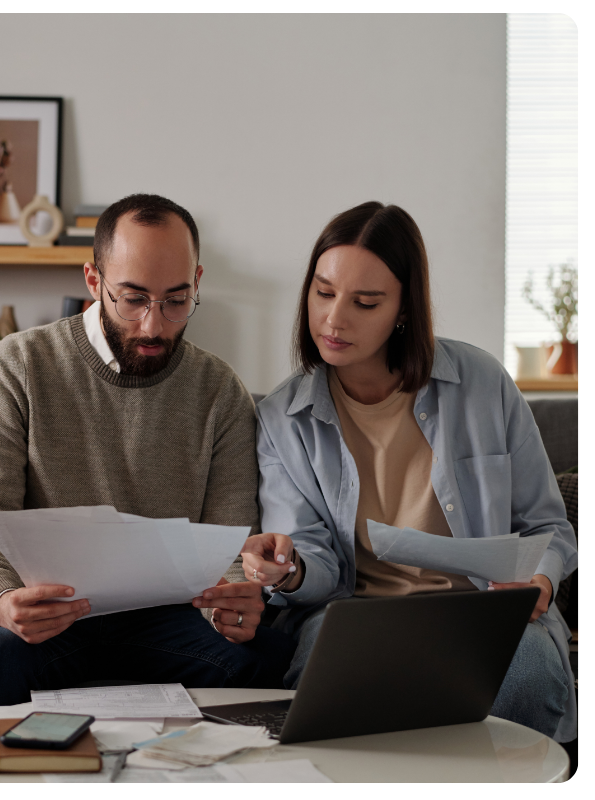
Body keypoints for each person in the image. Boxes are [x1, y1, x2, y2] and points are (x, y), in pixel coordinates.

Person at [0, 193, 293, 721]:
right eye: (133, 299)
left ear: (197, 281)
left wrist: (236, 601)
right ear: (93, 281)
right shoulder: (15, 368)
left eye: (177, 300)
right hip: (42, 609)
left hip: (169, 619)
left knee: (269, 660)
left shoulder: (220, 390)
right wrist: (0, 600)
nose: (154, 325)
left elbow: (230, 540)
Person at [240, 201, 578, 742]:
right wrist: (290, 569)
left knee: (530, 671)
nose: (334, 318)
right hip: (353, 614)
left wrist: (540, 577)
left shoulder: (483, 383)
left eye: (365, 302)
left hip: (480, 612)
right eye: (323, 293)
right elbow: (314, 558)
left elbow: (549, 527)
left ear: (403, 309)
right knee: (327, 681)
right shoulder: (282, 419)